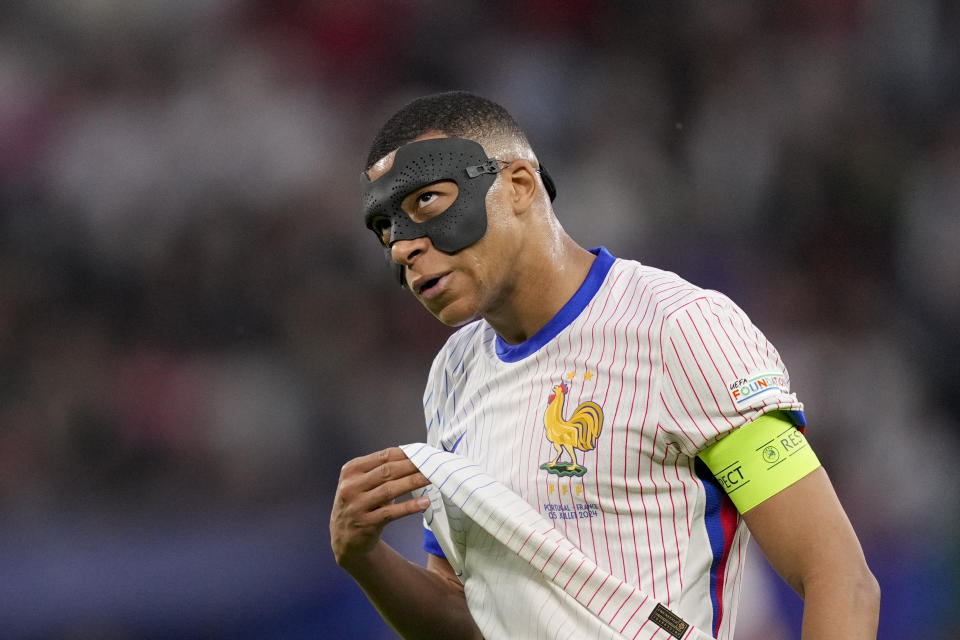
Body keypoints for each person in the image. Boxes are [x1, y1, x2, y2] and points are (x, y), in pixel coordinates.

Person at [330, 91, 879, 639]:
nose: (402, 247)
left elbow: (838, 577)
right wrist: (364, 558)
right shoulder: (451, 378)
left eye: (426, 201)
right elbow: (468, 616)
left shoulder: (678, 328)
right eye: (385, 228)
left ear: (519, 185)